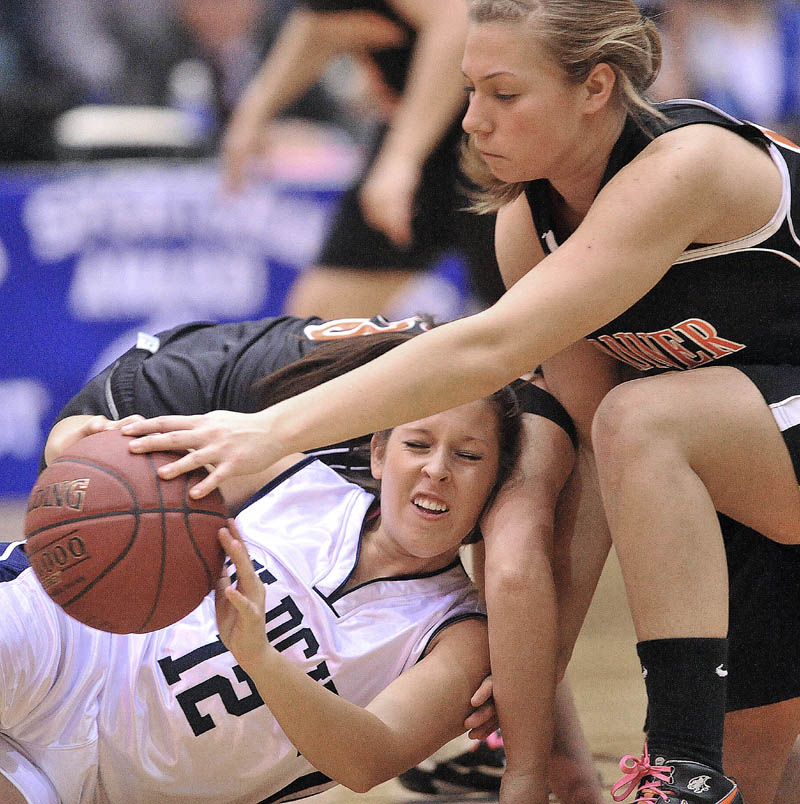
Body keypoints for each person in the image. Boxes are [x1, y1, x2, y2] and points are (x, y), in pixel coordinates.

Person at [120, 2, 800, 803]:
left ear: (597, 88)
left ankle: (682, 763)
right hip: (754, 478)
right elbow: (593, 466)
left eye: (503, 94)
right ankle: (696, 766)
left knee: (645, 417)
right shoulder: (527, 229)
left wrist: (273, 430)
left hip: (754, 455)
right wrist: (533, 671)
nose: (472, 120)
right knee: (763, 779)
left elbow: (489, 347)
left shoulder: (687, 166)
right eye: (467, 90)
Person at [31, 311, 604, 803]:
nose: (437, 469)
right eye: (418, 444)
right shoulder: (301, 476)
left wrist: (260, 656)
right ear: (377, 451)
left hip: (112, 774)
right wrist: (80, 447)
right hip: (71, 623)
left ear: (496, 488)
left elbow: (368, 759)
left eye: (470, 456)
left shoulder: (460, 634)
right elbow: (84, 447)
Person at [221, 0, 505, 318]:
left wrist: (402, 159)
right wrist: (254, 111)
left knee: (520, 322)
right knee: (316, 326)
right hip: (421, 141)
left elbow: (458, 22)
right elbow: (322, 21)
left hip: (492, 142)